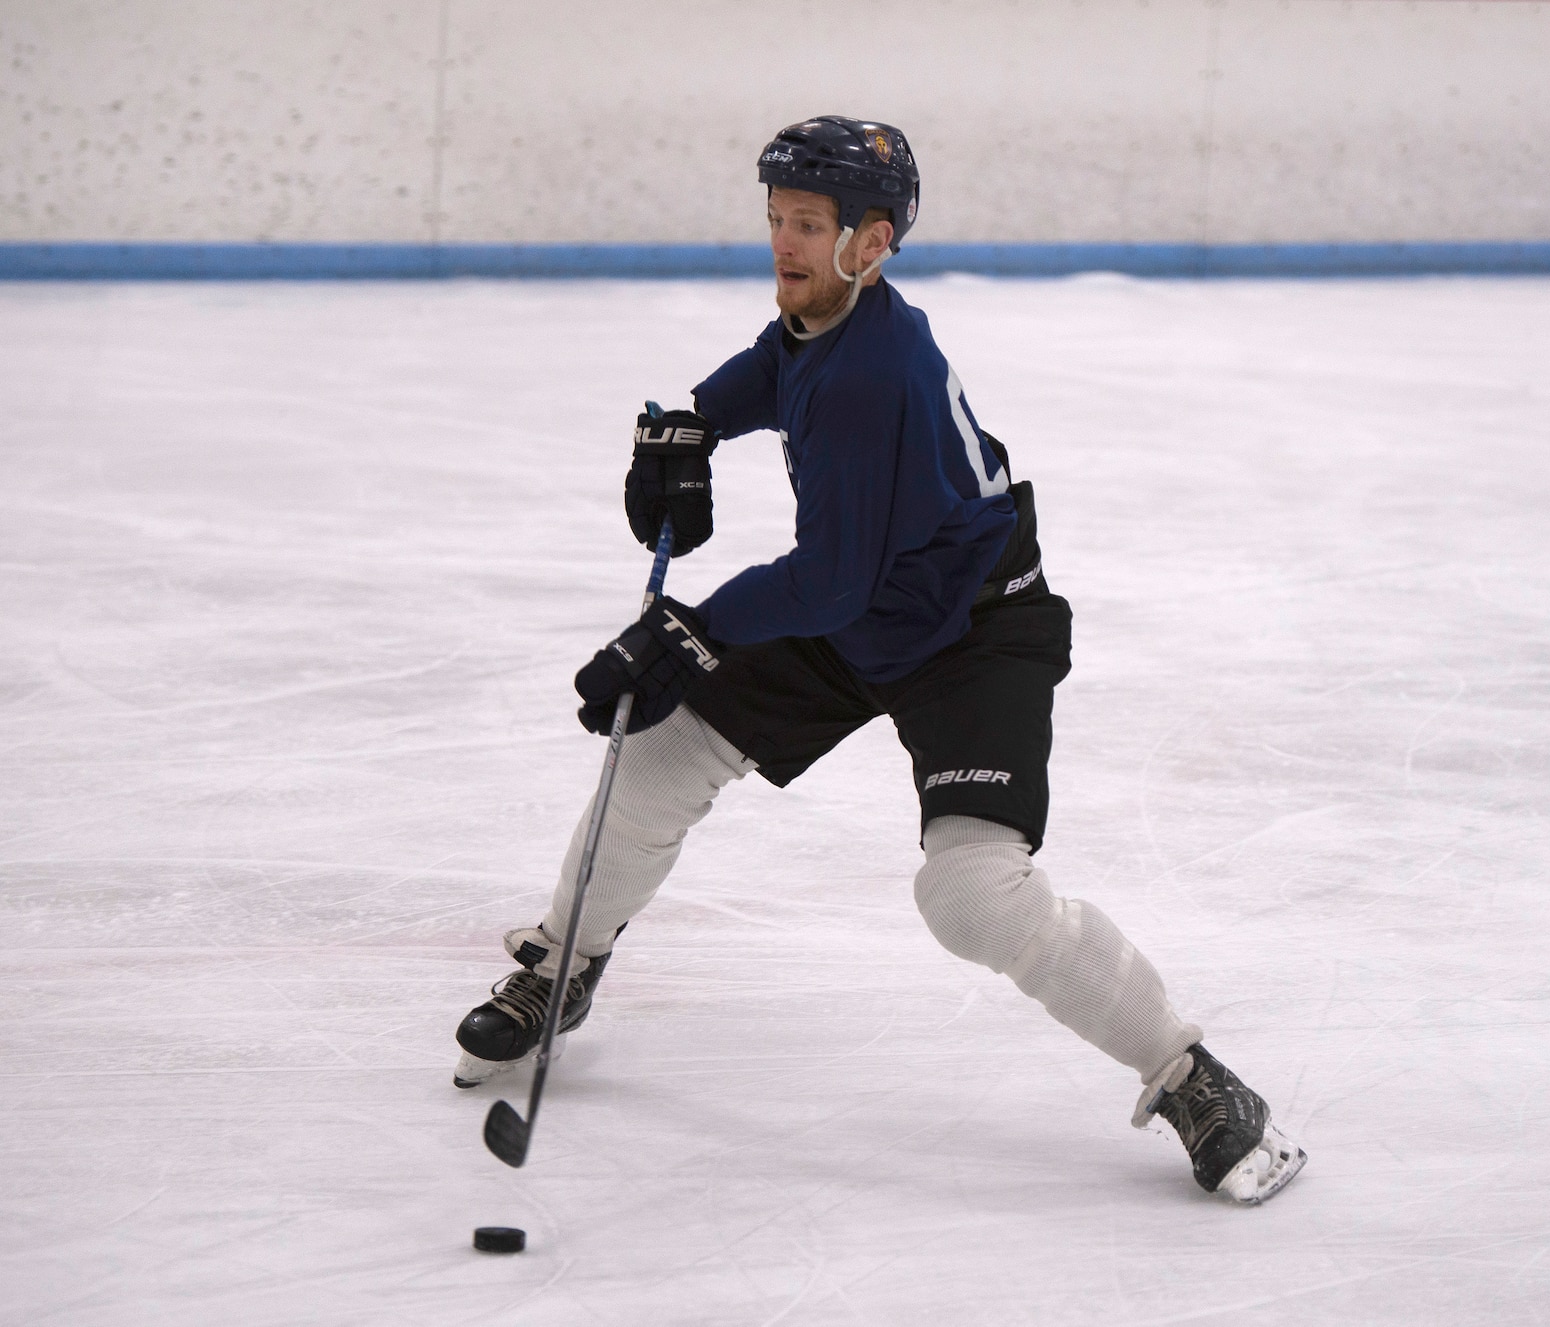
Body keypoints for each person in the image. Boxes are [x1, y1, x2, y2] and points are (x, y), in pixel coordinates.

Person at [451, 116, 1305, 1204]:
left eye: (811, 224)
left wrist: (686, 628)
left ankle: (1191, 1078)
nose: (784, 243)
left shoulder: (879, 373)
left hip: (971, 630)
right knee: (664, 750)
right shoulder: (827, 325)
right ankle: (561, 965)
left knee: (973, 896)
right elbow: (773, 368)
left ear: (875, 240)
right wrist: (691, 424)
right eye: (774, 220)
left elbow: (828, 580)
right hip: (862, 606)